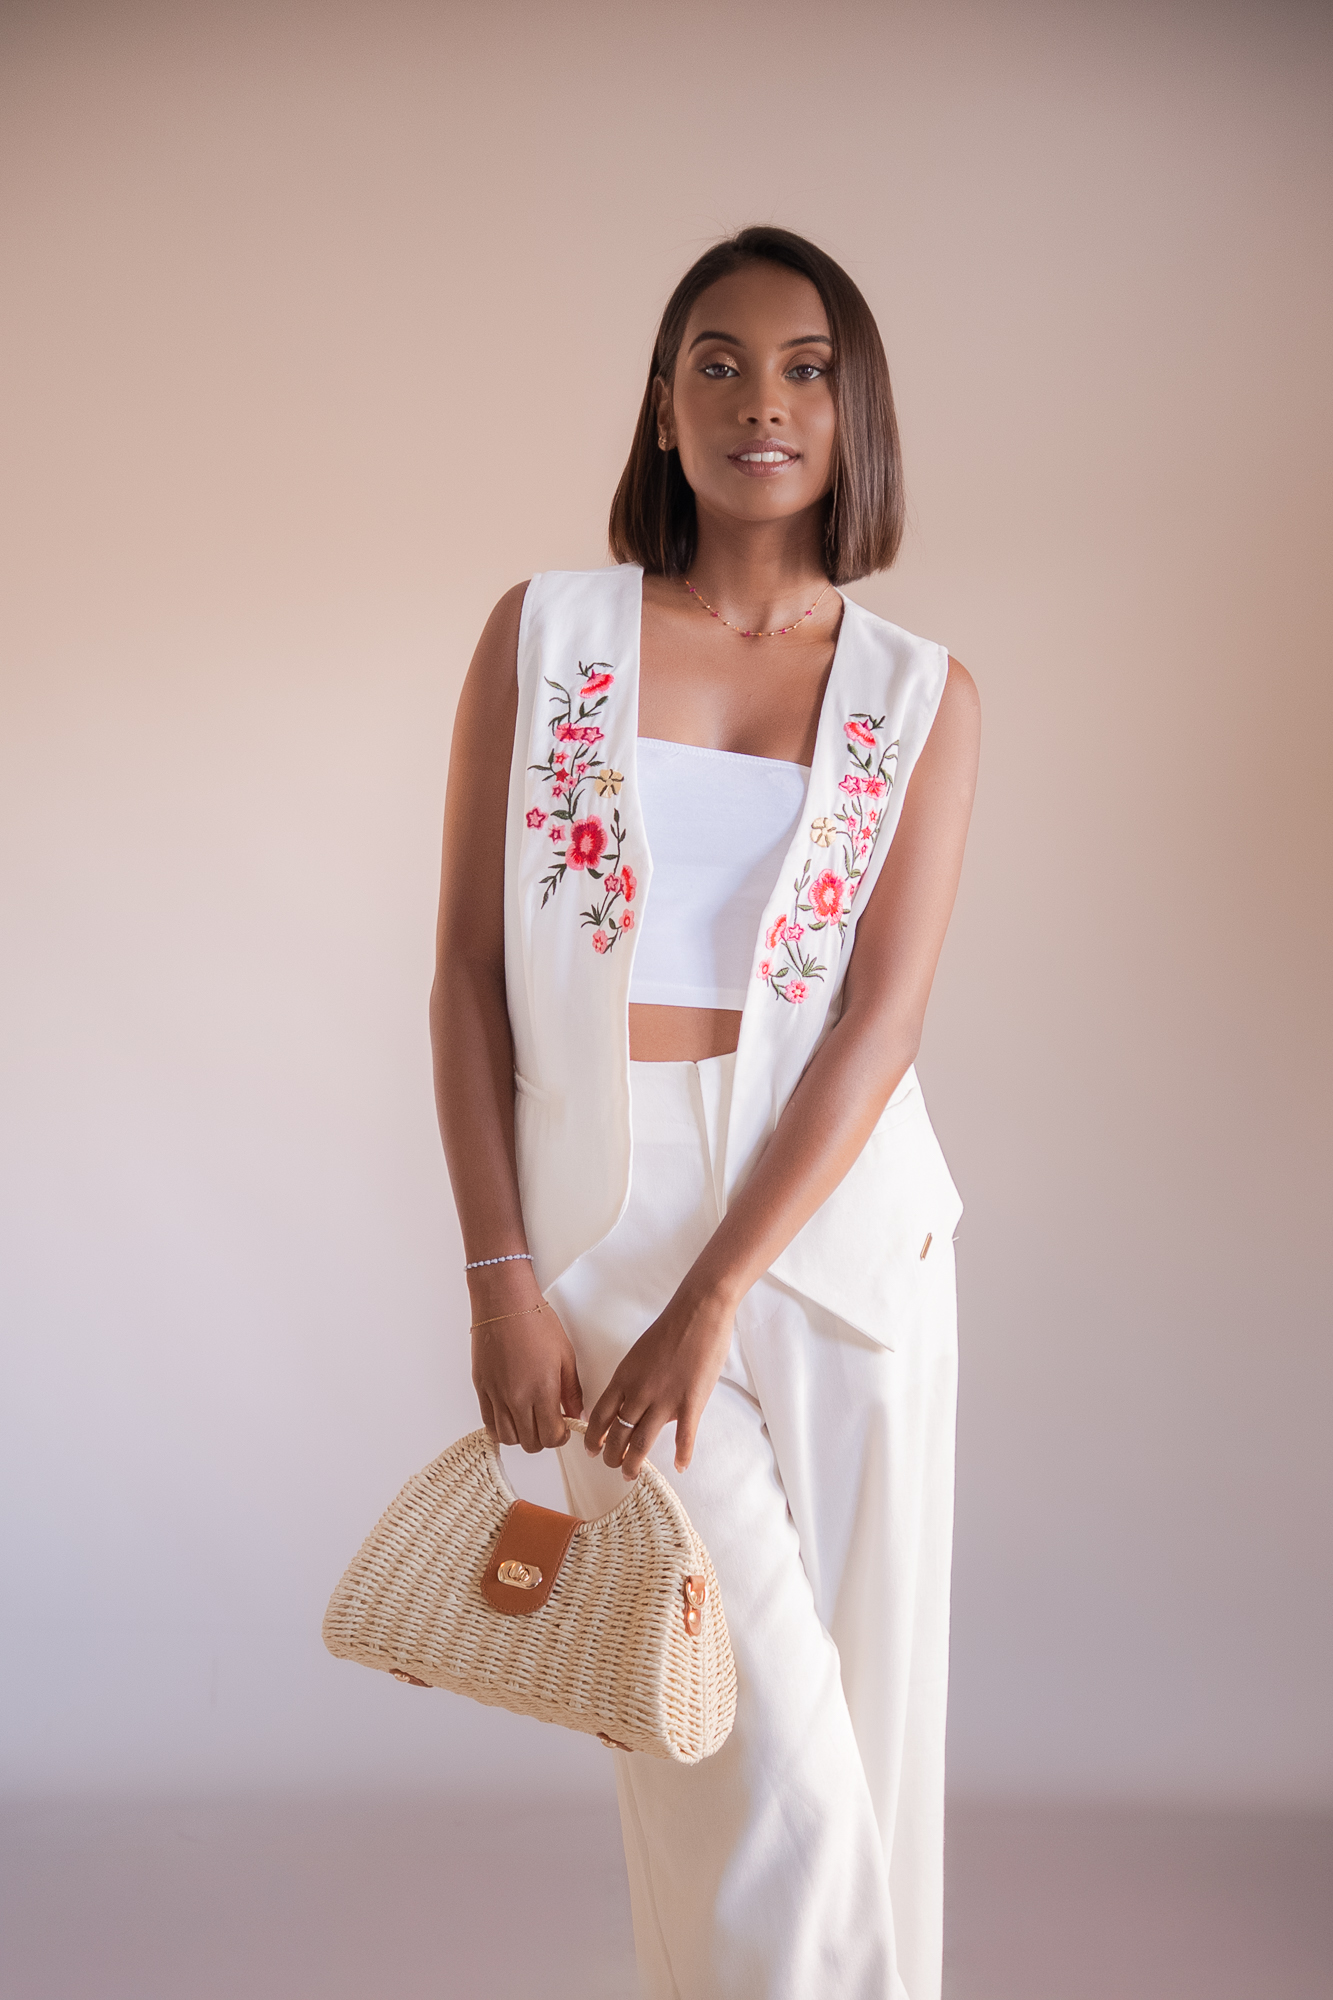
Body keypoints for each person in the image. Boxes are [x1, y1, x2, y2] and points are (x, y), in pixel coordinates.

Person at [431, 225, 980, 2000]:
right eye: (717, 363)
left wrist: (720, 1292)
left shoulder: (919, 692)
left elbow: (877, 1025)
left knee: (859, 1752)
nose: (763, 400)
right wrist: (501, 1274)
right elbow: (465, 977)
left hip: (841, 1245)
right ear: (662, 407)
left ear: (853, 410)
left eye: (806, 367)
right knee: (741, 1756)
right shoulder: (548, 635)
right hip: (605, 1232)